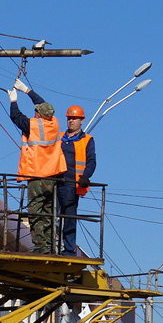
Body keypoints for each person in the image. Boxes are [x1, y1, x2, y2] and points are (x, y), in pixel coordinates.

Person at [9, 78, 67, 253]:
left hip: (37, 176)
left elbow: (16, 117)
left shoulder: (33, 125)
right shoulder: (54, 123)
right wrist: (27, 90)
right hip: (53, 177)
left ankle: (41, 246)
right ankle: (49, 246)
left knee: (35, 212)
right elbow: (42, 103)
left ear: (39, 114)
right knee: (49, 213)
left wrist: (13, 100)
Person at [57, 105, 96, 256]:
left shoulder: (87, 140)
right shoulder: (59, 137)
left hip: (72, 184)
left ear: (81, 121)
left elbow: (92, 161)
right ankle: (48, 247)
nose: (71, 121)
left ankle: (68, 249)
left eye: (74, 118)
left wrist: (86, 176)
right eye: (69, 118)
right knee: (50, 215)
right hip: (55, 181)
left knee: (69, 217)